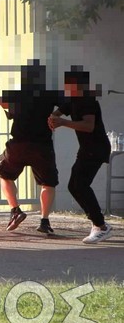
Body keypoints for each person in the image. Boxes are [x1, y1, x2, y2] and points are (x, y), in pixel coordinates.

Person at [0, 60, 62, 234]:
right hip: (42, 146)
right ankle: (44, 221)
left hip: (19, 145)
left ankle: (15, 211)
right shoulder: (50, 95)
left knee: (4, 174)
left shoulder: (16, 94)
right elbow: (69, 103)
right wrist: (55, 115)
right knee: (48, 183)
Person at [48, 68, 113, 244]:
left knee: (80, 185)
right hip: (86, 149)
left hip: (96, 148)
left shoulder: (87, 100)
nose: (66, 87)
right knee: (74, 186)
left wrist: (63, 122)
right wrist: (53, 118)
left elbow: (88, 126)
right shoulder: (73, 100)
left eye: (70, 84)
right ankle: (98, 224)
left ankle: (101, 226)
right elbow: (57, 113)